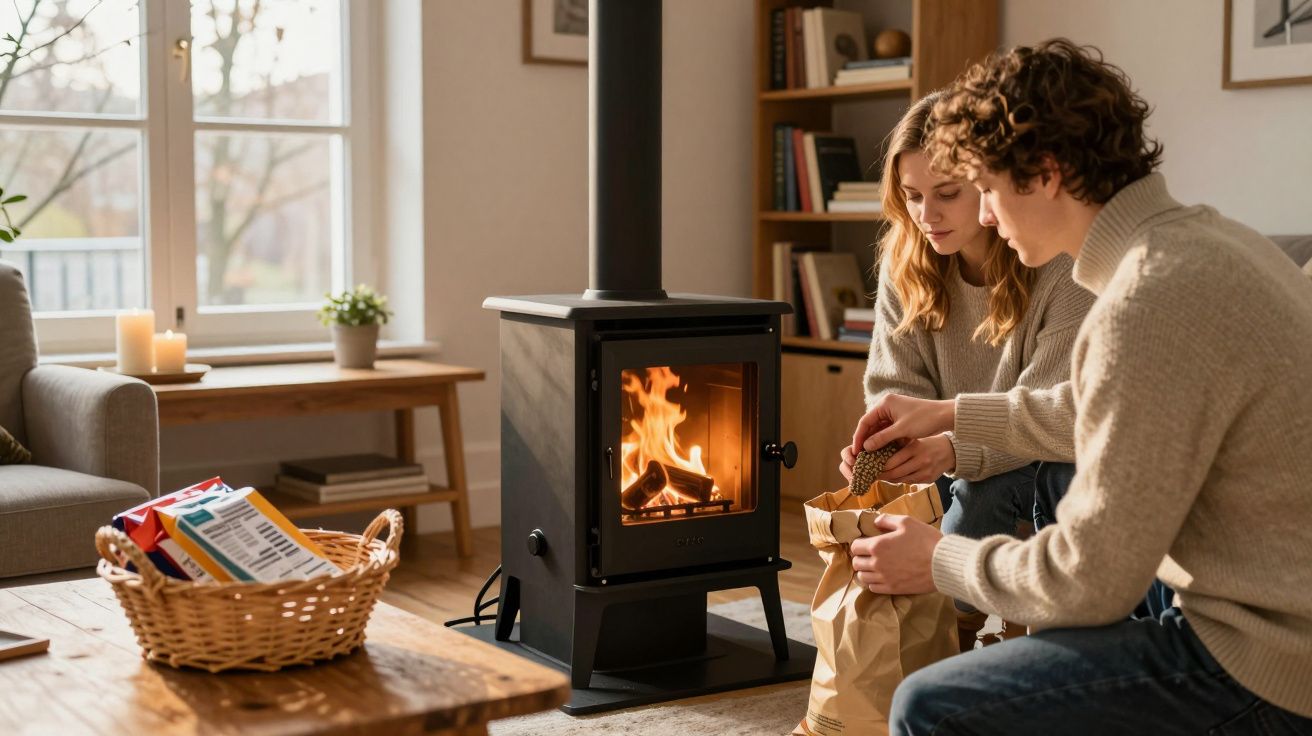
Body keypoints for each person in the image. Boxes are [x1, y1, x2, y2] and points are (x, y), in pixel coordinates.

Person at [847, 38, 1312, 733]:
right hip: (1270, 615)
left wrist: (938, 559)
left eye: (987, 188)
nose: (985, 216)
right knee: (1057, 484)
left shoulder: (1148, 300)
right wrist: (946, 414)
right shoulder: (1207, 242)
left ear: (1047, 173)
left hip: (1262, 663)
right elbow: (1098, 408)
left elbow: (1088, 582)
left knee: (928, 706)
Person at [838, 92, 1093, 648]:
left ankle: (945, 632)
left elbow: (1053, 408)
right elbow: (895, 387)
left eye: (947, 195)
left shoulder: (1057, 264)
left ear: (986, 187)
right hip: (949, 457)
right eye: (912, 197)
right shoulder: (905, 263)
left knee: (984, 489)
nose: (926, 217)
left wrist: (952, 448)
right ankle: (928, 632)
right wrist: (884, 444)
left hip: (1042, 455)